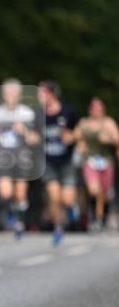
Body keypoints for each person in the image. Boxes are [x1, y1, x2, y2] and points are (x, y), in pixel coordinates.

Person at [0, 78, 40, 237]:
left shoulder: (27, 114)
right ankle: (11, 214)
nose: (10, 96)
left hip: (22, 158)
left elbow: (36, 139)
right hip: (2, 158)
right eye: (7, 92)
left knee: (21, 195)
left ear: (19, 95)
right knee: (5, 193)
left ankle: (20, 223)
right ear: (3, 94)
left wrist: (24, 131)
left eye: (14, 93)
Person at [37, 80, 79, 244]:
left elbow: (79, 129)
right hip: (49, 162)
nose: (39, 97)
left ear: (51, 94)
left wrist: (72, 137)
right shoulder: (38, 114)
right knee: (54, 197)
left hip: (67, 161)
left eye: (41, 93)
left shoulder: (68, 111)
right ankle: (58, 228)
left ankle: (71, 208)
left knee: (67, 199)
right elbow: (33, 135)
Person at [73, 98, 119, 231]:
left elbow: (117, 139)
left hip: (106, 161)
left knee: (105, 194)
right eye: (94, 108)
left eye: (99, 108)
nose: (96, 111)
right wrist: (79, 144)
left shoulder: (108, 123)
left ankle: (102, 218)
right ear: (90, 109)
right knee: (94, 190)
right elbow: (75, 136)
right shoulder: (84, 123)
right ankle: (94, 218)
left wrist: (109, 139)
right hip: (90, 161)